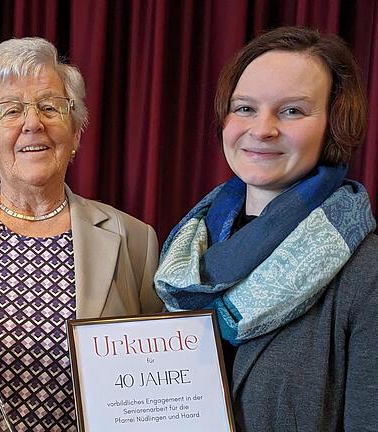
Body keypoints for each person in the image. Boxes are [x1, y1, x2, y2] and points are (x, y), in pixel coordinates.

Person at [0, 37, 162, 431]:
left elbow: (156, 380)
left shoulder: (134, 240)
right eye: (10, 110)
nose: (32, 123)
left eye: (50, 106)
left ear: (75, 132)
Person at [155, 26, 377, 431]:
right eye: (245, 108)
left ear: (335, 123)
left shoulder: (369, 272)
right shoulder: (186, 255)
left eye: (292, 110)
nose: (262, 129)